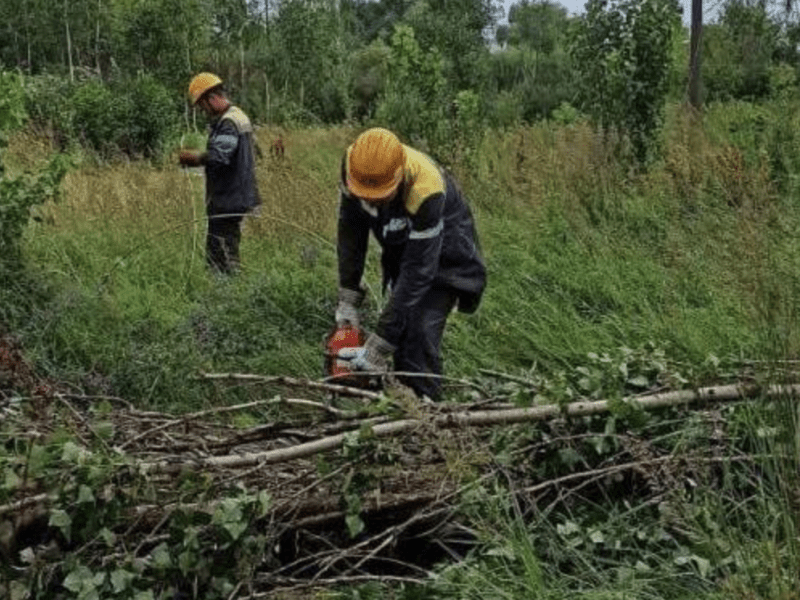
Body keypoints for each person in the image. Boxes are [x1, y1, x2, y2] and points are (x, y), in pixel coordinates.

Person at [335, 127, 486, 400]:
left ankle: (428, 419)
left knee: (418, 331)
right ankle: (401, 410)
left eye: (378, 195)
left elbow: (419, 271)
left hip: (446, 258)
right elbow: (351, 232)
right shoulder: (352, 165)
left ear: (398, 176)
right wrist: (347, 296)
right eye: (364, 195)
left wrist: (379, 345)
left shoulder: (426, 189)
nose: (369, 201)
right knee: (400, 331)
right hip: (403, 249)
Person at [179, 73, 260, 274]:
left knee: (220, 258)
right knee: (227, 252)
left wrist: (192, 158)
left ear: (212, 97)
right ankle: (228, 295)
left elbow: (219, 157)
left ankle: (226, 299)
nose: (203, 111)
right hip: (237, 196)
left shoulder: (228, 122)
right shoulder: (238, 116)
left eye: (202, 106)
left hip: (228, 199)